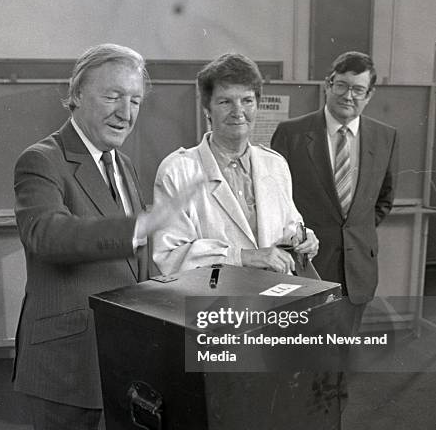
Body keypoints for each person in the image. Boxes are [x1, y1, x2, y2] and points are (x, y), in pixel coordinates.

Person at [13, 43, 158, 430]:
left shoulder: (124, 165)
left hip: (119, 358)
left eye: (136, 100)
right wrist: (133, 230)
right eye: (113, 95)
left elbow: (133, 266)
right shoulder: (42, 160)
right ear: (74, 96)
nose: (126, 112)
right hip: (68, 362)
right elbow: (47, 236)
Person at [152, 52, 318, 276]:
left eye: (247, 100)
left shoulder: (275, 164)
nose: (238, 111)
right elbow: (169, 255)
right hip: (212, 305)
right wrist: (242, 257)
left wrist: (303, 239)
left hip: (274, 300)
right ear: (207, 110)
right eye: (225, 101)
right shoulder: (177, 171)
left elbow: (289, 228)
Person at [271, 51, 398, 337]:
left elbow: (383, 201)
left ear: (369, 94)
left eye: (358, 89)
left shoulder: (385, 137)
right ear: (328, 84)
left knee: (343, 354)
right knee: (300, 353)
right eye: (341, 85)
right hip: (307, 267)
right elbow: (275, 202)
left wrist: (353, 233)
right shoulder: (291, 133)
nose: (348, 95)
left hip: (358, 270)